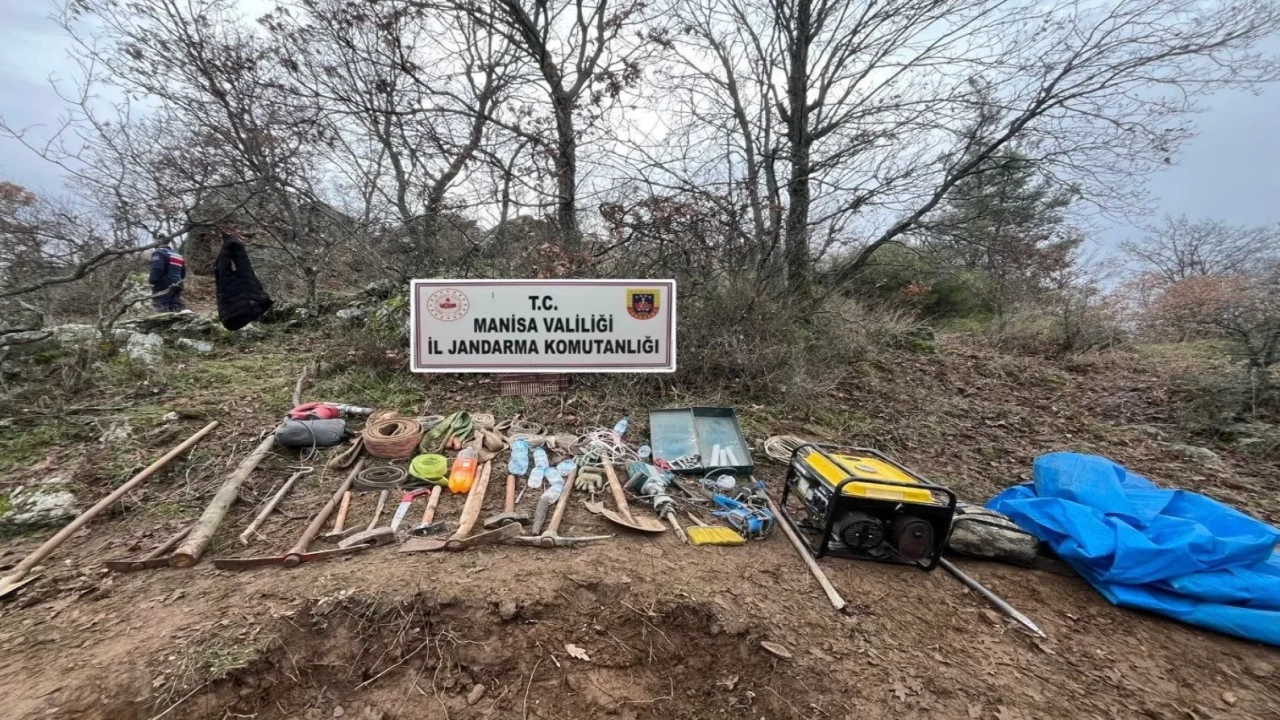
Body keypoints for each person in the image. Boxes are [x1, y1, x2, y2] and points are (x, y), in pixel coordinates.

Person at [148, 244, 187, 312]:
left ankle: (163, 322)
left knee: (161, 306)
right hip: (178, 284)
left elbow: (157, 268)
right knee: (176, 307)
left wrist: (152, 281)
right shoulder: (178, 256)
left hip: (163, 285)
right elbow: (183, 273)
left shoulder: (159, 252)